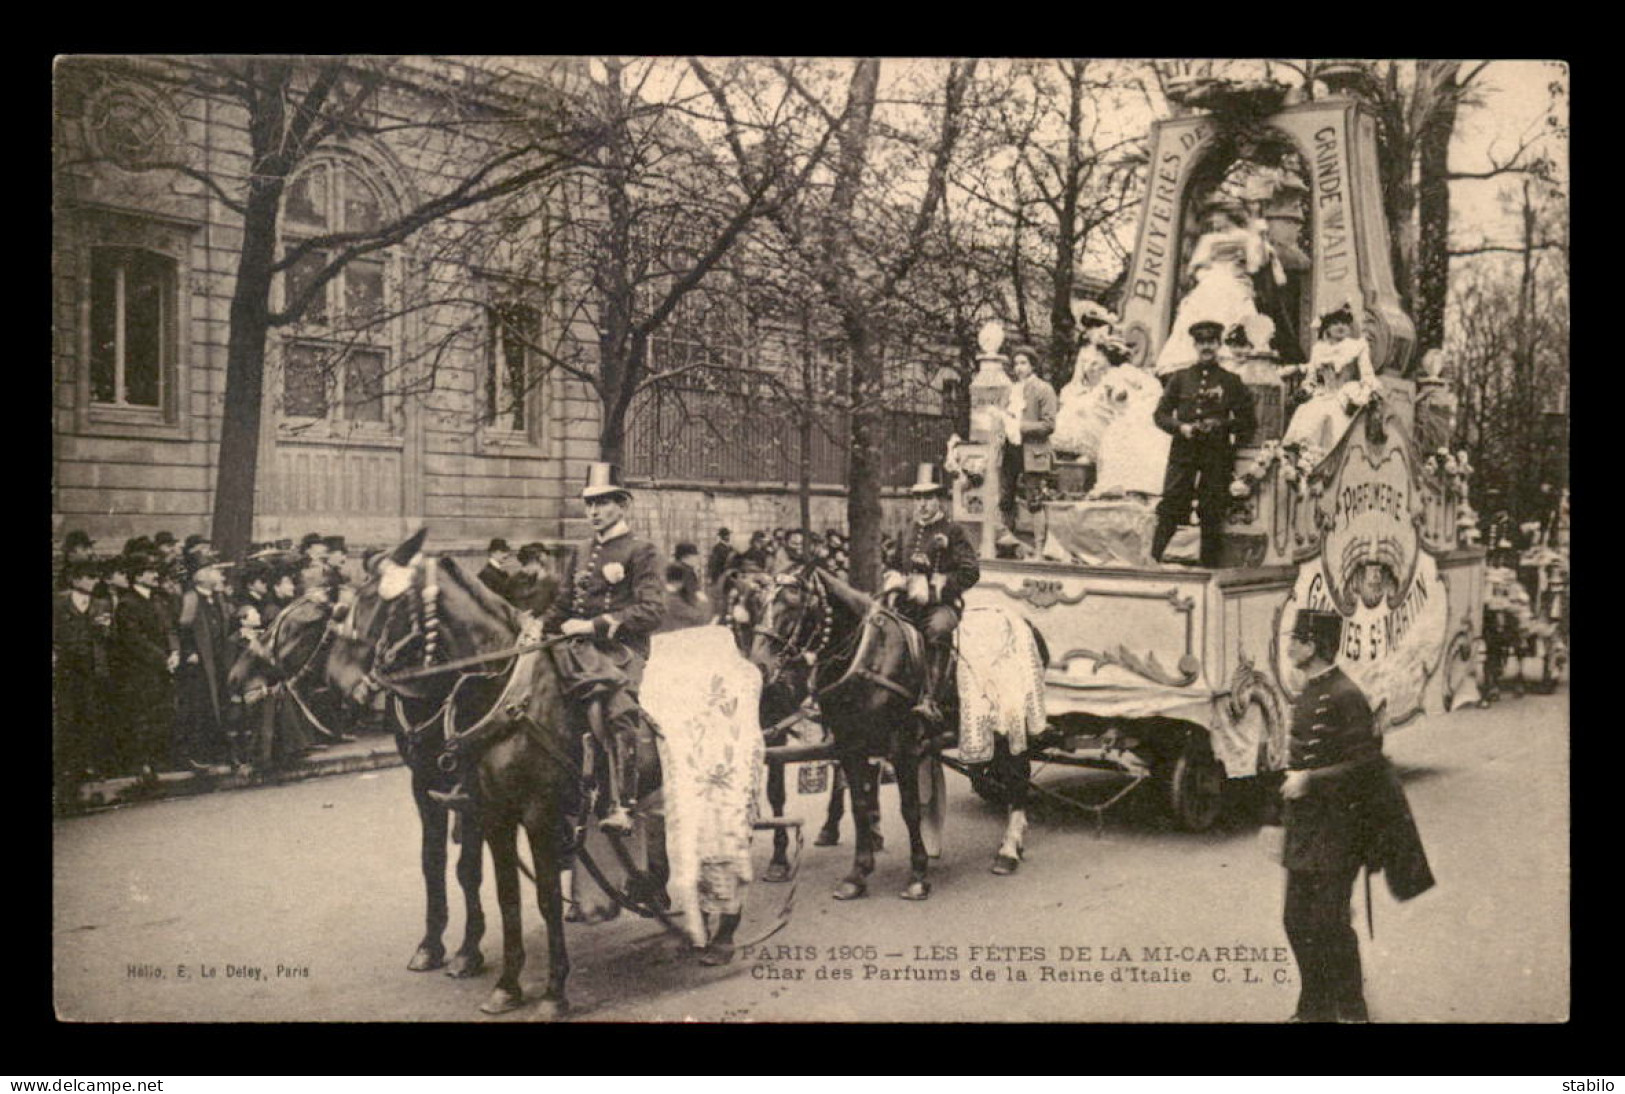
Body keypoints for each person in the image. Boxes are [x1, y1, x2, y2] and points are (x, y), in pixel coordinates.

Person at [1276, 609, 1434, 1022]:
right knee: (1295, 920)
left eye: (1296, 639)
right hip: (1306, 827)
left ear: (1312, 646)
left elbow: (1366, 765)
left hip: (1339, 829)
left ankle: (1350, 1008)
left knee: (1328, 922)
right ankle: (1314, 1005)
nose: (1289, 645)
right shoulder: (1309, 689)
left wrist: (1311, 780)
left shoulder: (1346, 694)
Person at [541, 463, 666, 834]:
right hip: (576, 647)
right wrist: (535, 627)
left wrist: (595, 625)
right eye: (589, 504)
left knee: (616, 707)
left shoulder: (642, 551)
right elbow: (562, 605)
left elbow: (652, 610)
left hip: (621, 650)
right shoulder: (581, 551)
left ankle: (623, 802)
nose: (593, 512)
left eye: (602, 503)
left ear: (622, 505)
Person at [1151, 320, 1257, 567]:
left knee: (1212, 508)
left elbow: (1248, 421)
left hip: (1215, 453)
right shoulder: (1180, 378)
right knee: (1171, 503)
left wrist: (1220, 426)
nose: (1206, 347)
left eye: (1211, 342)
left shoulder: (1231, 381)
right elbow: (1160, 415)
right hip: (1183, 451)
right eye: (1201, 342)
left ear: (1219, 345)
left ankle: (1208, 566)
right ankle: (1153, 560)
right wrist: (1181, 427)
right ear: (1195, 345)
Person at [880, 463, 980, 726]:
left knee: (937, 630)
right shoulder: (908, 530)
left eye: (929, 498)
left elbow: (970, 572)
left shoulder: (954, 531)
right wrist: (895, 580)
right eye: (919, 498)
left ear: (940, 500)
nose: (923, 504)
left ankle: (931, 700)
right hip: (908, 602)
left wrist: (938, 585)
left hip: (941, 605)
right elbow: (892, 563)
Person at [1155, 200, 1266, 376]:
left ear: (1229, 216)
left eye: (1218, 217)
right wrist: (1206, 276)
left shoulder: (1245, 237)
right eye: (1213, 218)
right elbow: (1195, 266)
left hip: (1234, 283)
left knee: (1237, 316)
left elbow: (1254, 266)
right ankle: (1191, 361)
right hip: (1210, 283)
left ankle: (1232, 361)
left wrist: (1257, 241)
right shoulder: (1209, 239)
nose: (1214, 221)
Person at [111, 550, 178, 786]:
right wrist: (163, 658)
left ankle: (155, 762)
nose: (154, 574)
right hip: (140, 671)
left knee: (160, 714)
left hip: (161, 668)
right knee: (142, 717)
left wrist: (175, 651)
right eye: (149, 571)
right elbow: (134, 640)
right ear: (136, 575)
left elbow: (170, 629)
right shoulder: (127, 604)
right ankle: (142, 764)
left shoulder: (157, 600)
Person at [54, 557, 113, 810]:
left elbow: (109, 637)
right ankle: (66, 780)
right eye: (88, 576)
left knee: (91, 719)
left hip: (93, 671)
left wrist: (105, 628)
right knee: (67, 722)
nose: (94, 581)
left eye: (95, 576)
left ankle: (85, 777)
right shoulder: (59, 602)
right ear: (75, 579)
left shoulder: (101, 604)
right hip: (67, 672)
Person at [1282, 305, 1379, 452]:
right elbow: (1311, 380)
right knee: (1308, 418)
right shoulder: (1319, 349)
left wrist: (1363, 396)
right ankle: (1308, 463)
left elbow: (1367, 376)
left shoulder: (1357, 346)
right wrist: (1305, 390)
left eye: (1344, 323)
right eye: (1335, 323)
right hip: (1323, 395)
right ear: (1326, 327)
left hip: (1346, 396)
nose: (1340, 326)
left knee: (1336, 422)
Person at [174, 546, 236, 769]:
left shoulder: (217, 598)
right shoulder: (191, 599)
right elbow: (183, 629)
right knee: (202, 708)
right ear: (199, 575)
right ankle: (201, 753)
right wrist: (189, 652)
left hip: (220, 660)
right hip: (201, 664)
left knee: (222, 703)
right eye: (212, 570)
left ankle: (223, 751)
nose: (218, 575)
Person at [995, 343, 1059, 547]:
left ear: (1033, 365)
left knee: (1034, 500)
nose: (1019, 368)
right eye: (1016, 364)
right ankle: (1008, 543)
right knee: (1006, 498)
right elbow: (1003, 418)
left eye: (1023, 363)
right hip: (1011, 450)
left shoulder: (1043, 389)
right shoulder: (1010, 391)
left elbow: (1049, 425)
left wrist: (1020, 427)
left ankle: (1040, 546)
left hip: (1032, 451)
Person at [509, 542, 559, 617]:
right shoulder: (514, 580)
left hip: (542, 623)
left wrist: (540, 620)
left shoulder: (550, 580)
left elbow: (556, 607)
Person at [478, 537, 514, 602]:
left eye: (506, 551)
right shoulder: (486, 574)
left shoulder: (502, 573)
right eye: (502, 551)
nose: (506, 555)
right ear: (492, 553)